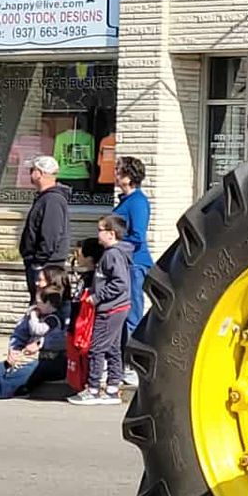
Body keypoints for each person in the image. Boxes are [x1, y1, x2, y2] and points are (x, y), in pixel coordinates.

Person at [70, 216, 132, 406]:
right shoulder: (113, 253)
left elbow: (120, 283)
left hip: (111, 308)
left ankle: (94, 389)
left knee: (97, 348)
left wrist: (96, 297)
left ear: (111, 233)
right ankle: (112, 388)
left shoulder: (112, 254)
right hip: (117, 307)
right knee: (113, 348)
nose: (98, 233)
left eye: (100, 230)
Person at [18, 155, 72, 300]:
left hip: (47, 266)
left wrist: (39, 262)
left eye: (32, 170)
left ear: (40, 173)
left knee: (44, 305)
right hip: (41, 264)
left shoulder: (52, 200)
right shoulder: (45, 198)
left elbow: (51, 235)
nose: (30, 174)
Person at [112, 155, 152, 329]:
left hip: (134, 263)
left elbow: (138, 236)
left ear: (128, 177)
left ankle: (129, 354)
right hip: (124, 262)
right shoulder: (126, 201)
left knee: (132, 315)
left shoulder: (137, 202)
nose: (115, 174)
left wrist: (113, 242)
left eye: (118, 171)